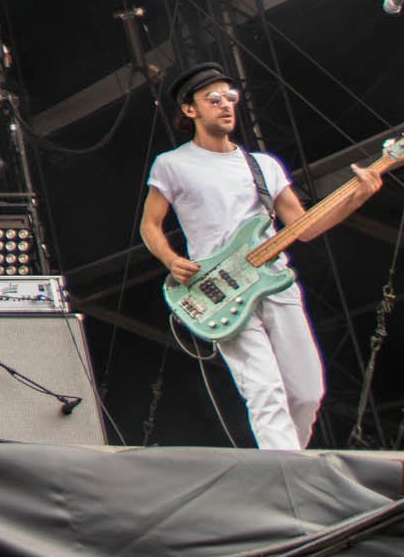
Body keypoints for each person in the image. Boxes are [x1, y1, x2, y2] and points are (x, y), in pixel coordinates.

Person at [139, 61, 380, 450]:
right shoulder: (172, 164)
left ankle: (288, 464)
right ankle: (288, 477)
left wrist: (357, 196)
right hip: (220, 289)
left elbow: (306, 227)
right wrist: (170, 259)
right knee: (265, 392)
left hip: (275, 283)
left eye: (230, 98)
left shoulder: (263, 165)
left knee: (306, 393)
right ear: (190, 109)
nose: (225, 105)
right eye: (212, 99)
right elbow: (150, 225)